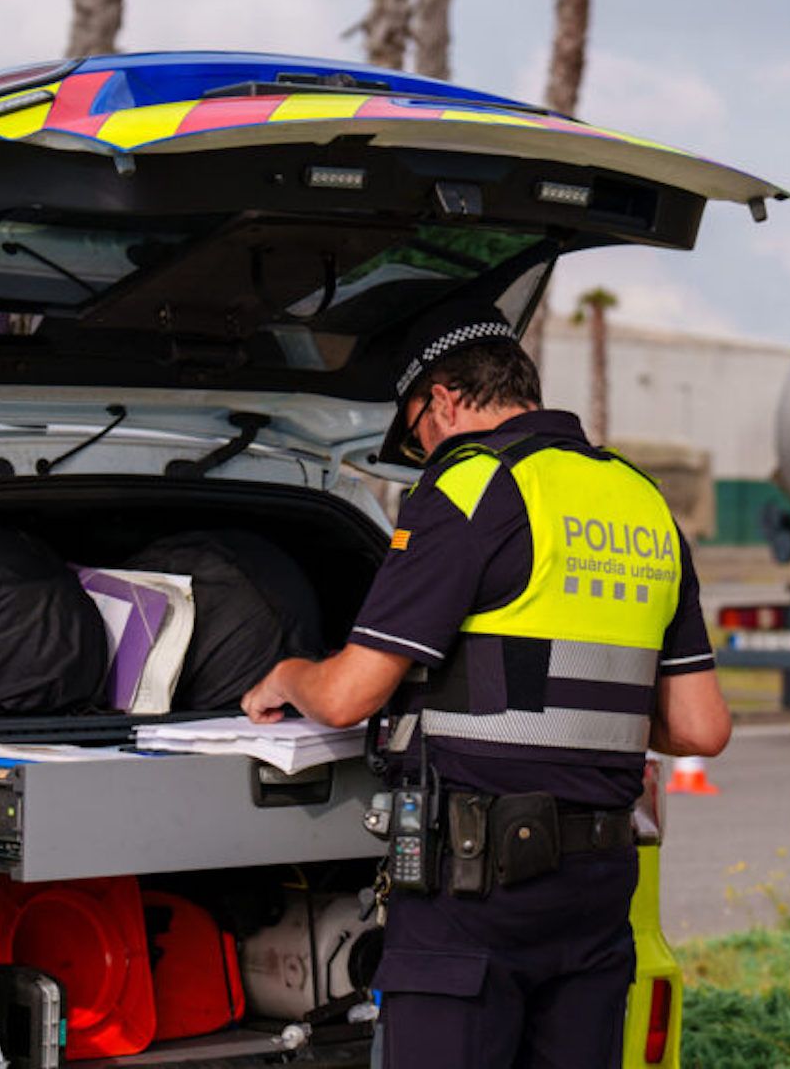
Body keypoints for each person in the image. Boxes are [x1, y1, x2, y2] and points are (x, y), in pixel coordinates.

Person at [241, 300, 731, 1068]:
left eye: (416, 437)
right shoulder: (642, 502)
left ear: (442, 399)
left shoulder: (471, 488)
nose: (424, 456)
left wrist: (286, 675)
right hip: (599, 886)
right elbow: (701, 728)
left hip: (475, 893)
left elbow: (346, 698)